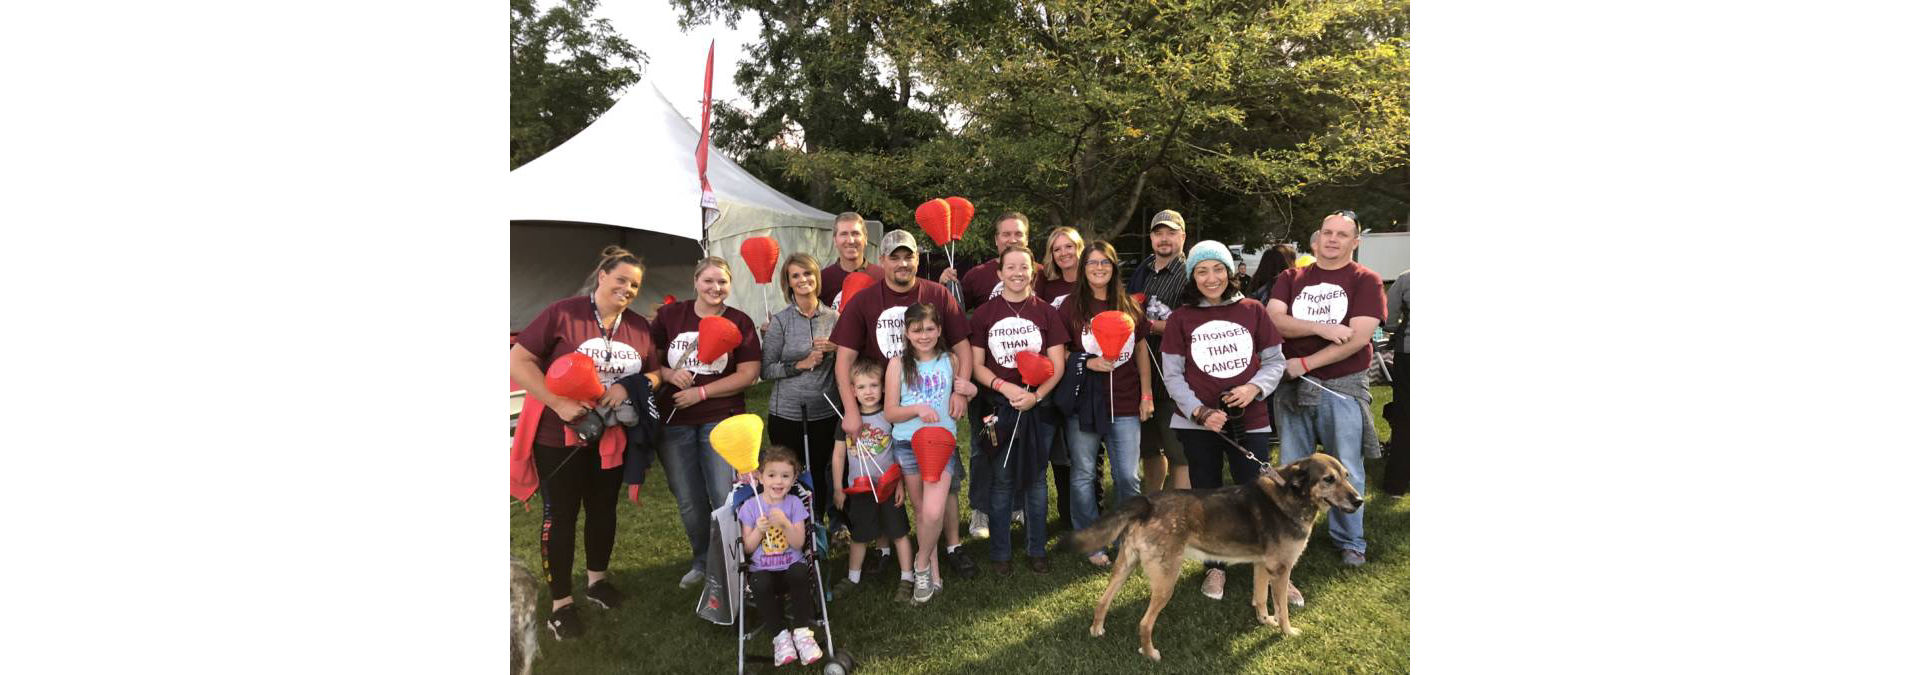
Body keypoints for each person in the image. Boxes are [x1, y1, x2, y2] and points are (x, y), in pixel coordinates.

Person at [508, 246, 659, 640]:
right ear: (602, 276)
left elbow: (656, 374)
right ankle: (560, 604)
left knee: (603, 509)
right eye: (621, 279)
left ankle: (597, 582)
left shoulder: (639, 327)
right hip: (558, 436)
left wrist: (630, 386)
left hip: (609, 436)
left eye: (635, 285)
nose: (627, 288)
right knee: (561, 516)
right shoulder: (564, 313)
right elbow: (518, 360)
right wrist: (556, 401)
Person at [830, 229, 980, 580]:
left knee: (947, 483)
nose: (901, 263)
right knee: (899, 481)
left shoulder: (937, 294)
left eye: (908, 256)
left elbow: (961, 346)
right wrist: (851, 409)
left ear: (916, 259)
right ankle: (897, 549)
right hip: (889, 411)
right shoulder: (865, 301)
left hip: (939, 412)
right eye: (894, 257)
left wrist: (959, 391)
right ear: (881, 262)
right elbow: (843, 361)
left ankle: (953, 546)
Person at [1162, 240, 1287, 602]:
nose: (1211, 277)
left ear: (1230, 272)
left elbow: (1275, 362)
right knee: (1208, 497)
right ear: (1192, 277)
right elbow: (1172, 375)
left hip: (1251, 418)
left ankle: (1272, 568)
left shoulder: (1253, 311)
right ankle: (1215, 566)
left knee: (1260, 496)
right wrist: (1199, 411)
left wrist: (1253, 388)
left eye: (1217, 268)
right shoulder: (1180, 318)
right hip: (1198, 423)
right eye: (1202, 270)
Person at [1265, 210, 1387, 567]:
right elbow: (1275, 320)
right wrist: (1322, 328)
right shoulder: (1291, 277)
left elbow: (1358, 337)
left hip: (1341, 387)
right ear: (1316, 239)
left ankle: (1350, 540)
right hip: (1293, 390)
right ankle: (1290, 535)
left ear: (1355, 242)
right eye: (1327, 233)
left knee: (1345, 466)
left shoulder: (1366, 280)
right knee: (1293, 468)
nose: (1333, 240)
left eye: (1342, 234)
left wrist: (1305, 363)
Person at [652, 257, 764, 589]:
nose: (716, 289)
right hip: (674, 421)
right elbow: (649, 360)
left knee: (723, 494)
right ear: (696, 281)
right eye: (709, 281)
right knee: (687, 496)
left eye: (723, 283)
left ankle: (730, 559)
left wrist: (701, 393)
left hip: (722, 421)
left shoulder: (739, 321)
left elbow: (749, 373)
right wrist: (671, 374)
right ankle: (702, 559)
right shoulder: (670, 316)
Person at [969, 245, 1068, 575]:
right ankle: (1000, 553)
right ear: (999, 274)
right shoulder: (984, 314)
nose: (1017, 273)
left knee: (1037, 481)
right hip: (1001, 407)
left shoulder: (1046, 313)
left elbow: (1057, 364)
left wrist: (1036, 396)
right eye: (1010, 267)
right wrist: (1004, 387)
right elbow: (977, 366)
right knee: (1002, 480)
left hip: (1039, 410)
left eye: (1023, 267)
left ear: (1033, 271)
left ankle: (1036, 548)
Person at [1056, 240, 1153, 567]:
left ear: (1114, 268)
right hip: (1085, 403)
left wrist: (1146, 394)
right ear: (1083, 269)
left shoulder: (1130, 305)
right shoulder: (1069, 307)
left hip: (1125, 401)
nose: (1099, 268)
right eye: (1093, 263)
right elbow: (1059, 353)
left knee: (1127, 476)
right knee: (1083, 474)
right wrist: (1087, 361)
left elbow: (1141, 351)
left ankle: (1130, 537)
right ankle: (1091, 539)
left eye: (1105, 263)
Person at [940, 212, 1035, 538]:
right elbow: (955, 311)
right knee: (984, 445)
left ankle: (1019, 505)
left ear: (1027, 238)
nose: (1012, 239)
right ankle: (980, 510)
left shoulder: (1037, 273)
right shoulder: (978, 276)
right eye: (1005, 234)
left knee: (1022, 443)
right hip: (986, 379)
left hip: (1026, 380)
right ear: (996, 240)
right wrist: (945, 285)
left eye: (1018, 234)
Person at [884, 303, 975, 603]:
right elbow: (891, 412)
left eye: (930, 329)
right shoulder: (898, 364)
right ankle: (932, 573)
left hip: (941, 445)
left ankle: (920, 564)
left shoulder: (950, 360)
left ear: (939, 330)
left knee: (935, 512)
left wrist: (967, 392)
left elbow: (964, 394)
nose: (924, 335)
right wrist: (916, 409)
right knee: (923, 512)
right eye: (917, 330)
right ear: (907, 333)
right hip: (908, 445)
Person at [761, 252, 841, 525]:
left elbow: (850, 359)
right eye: (795, 275)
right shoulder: (781, 321)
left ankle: (819, 524)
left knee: (821, 471)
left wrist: (837, 347)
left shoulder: (834, 317)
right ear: (788, 282)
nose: (803, 279)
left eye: (807, 273)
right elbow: (767, 369)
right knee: (788, 472)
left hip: (825, 411)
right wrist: (801, 364)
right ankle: (792, 526)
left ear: (816, 277)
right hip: (787, 413)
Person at [830, 359, 916, 602]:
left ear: (884, 388)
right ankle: (853, 576)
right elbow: (837, 455)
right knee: (860, 534)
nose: (868, 392)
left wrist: (899, 483)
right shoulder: (846, 420)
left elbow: (900, 452)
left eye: (873, 386)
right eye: (861, 387)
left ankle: (907, 577)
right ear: (852, 390)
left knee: (898, 531)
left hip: (887, 487)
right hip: (860, 488)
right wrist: (838, 487)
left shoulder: (889, 418)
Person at [738, 445, 823, 667]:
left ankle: (803, 633)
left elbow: (798, 543)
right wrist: (758, 530)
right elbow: (746, 548)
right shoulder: (749, 507)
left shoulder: (794, 503)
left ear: (794, 478)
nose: (778, 482)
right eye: (772, 475)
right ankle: (781, 637)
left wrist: (785, 523)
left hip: (790, 567)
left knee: (799, 571)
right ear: (760, 477)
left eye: (785, 476)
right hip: (763, 570)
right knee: (759, 581)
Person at [1126, 209, 1191, 494]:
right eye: (1158, 233)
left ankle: (1181, 513)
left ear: (1183, 237)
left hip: (1175, 374)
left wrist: (1147, 325)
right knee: (1149, 447)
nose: (1164, 239)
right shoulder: (1144, 269)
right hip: (1142, 372)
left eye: (1171, 233)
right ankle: (1152, 505)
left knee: (1179, 450)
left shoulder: (1190, 273)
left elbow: (1190, 325)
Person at [820, 211, 883, 311]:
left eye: (855, 233)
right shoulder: (823, 280)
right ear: (835, 240)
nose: (850, 240)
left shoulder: (882, 277)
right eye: (844, 234)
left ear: (866, 238)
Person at [1382, 269, 1410, 497]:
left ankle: (1396, 484)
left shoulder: (1405, 278)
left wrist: (1392, 329)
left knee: (1405, 417)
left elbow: (1389, 319)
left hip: (1409, 353)